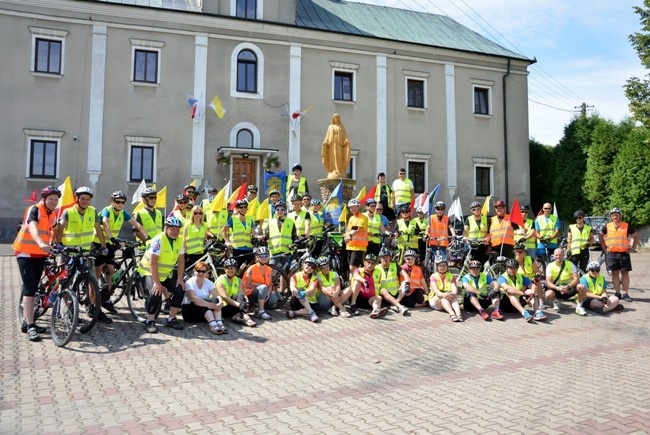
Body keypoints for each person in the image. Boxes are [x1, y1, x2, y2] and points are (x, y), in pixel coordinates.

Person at [56, 186, 111, 324]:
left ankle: (95, 309)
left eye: (87, 199)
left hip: (86, 253)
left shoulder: (93, 212)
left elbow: (98, 229)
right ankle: (68, 310)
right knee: (66, 281)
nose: (85, 201)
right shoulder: (69, 212)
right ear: (77, 199)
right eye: (82, 199)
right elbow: (61, 227)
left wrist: (103, 246)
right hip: (69, 252)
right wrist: (58, 244)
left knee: (93, 281)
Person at [13, 186, 60, 341]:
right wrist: (40, 242)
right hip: (25, 253)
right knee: (30, 289)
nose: (54, 202)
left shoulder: (51, 213)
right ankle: (31, 326)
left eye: (56, 199)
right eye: (51, 199)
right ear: (44, 198)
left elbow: (53, 230)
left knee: (36, 285)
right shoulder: (35, 209)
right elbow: (33, 227)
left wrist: (56, 245)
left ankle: (29, 320)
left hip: (40, 254)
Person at [93, 190, 146, 314]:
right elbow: (105, 223)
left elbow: (136, 224)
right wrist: (112, 238)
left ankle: (106, 297)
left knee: (111, 270)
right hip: (99, 243)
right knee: (99, 269)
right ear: (112, 202)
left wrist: (147, 237)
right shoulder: (107, 210)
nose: (120, 204)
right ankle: (93, 295)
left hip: (111, 244)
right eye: (117, 202)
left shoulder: (123, 213)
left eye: (122, 202)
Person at [137, 216, 186, 333]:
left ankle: (171, 319)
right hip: (148, 271)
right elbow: (152, 263)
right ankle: (150, 321)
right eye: (172, 228)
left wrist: (180, 278)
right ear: (166, 228)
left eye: (177, 229)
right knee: (156, 292)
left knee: (180, 289)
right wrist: (157, 283)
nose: (175, 231)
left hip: (165, 273)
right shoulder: (159, 240)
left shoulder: (180, 240)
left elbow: (181, 261)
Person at [600, 207, 639, 303]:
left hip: (624, 253)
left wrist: (633, 248)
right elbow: (600, 235)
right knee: (615, 274)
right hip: (611, 253)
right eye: (613, 215)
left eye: (616, 215)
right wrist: (605, 248)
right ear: (611, 217)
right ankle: (617, 293)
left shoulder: (626, 226)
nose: (614, 216)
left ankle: (625, 293)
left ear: (620, 216)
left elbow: (636, 236)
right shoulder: (607, 226)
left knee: (625, 273)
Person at [182, 261, 226, 334]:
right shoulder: (189, 283)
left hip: (203, 313)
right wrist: (209, 305)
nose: (201, 273)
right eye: (198, 271)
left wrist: (220, 302)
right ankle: (212, 324)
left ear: (206, 272)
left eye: (203, 271)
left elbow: (217, 295)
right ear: (194, 271)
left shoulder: (209, 282)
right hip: (189, 312)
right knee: (202, 303)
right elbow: (194, 299)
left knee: (215, 300)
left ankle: (219, 322)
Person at [215, 258, 257, 327]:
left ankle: (238, 316)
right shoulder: (220, 280)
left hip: (233, 305)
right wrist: (239, 305)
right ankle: (245, 317)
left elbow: (242, 293)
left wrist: (246, 301)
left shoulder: (238, 280)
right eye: (228, 268)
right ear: (224, 269)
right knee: (241, 302)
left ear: (236, 269)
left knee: (242, 296)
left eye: (232, 268)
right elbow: (224, 297)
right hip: (222, 307)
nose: (230, 270)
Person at [545, 247, 587, 315]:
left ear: (563, 255)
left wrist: (568, 286)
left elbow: (576, 279)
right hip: (557, 289)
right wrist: (558, 288)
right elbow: (548, 282)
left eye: (560, 255)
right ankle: (556, 301)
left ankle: (579, 307)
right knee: (548, 294)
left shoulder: (570, 264)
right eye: (556, 255)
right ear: (553, 255)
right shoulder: (550, 266)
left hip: (568, 288)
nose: (558, 256)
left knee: (581, 287)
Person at [347, 253, 388, 318]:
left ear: (375, 264)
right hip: (357, 298)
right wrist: (364, 281)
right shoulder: (359, 270)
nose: (370, 265)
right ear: (364, 262)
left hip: (369, 300)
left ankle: (375, 311)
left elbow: (381, 284)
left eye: (372, 263)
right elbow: (356, 276)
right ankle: (353, 306)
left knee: (379, 298)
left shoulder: (378, 272)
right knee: (357, 280)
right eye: (368, 262)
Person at [513, 243, 547, 321]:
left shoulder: (529, 259)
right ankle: (535, 305)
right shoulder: (513, 263)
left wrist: (537, 276)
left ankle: (541, 301)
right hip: (521, 283)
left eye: (520, 252)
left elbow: (537, 271)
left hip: (532, 280)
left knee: (537, 282)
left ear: (524, 252)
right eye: (516, 251)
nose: (518, 253)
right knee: (527, 287)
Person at [241, 246, 277, 320]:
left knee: (273, 299)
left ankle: (256, 307)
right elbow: (247, 285)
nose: (264, 258)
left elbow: (270, 284)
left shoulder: (269, 269)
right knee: (263, 287)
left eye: (266, 255)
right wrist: (261, 287)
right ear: (257, 257)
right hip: (249, 293)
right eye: (261, 256)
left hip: (262, 292)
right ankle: (261, 311)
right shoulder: (251, 268)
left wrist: (268, 292)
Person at [286, 257, 326, 322]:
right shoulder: (295, 276)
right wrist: (295, 291)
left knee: (318, 308)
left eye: (312, 266)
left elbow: (311, 289)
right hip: (297, 301)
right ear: (303, 265)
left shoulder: (315, 278)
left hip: (310, 302)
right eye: (308, 264)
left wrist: (304, 293)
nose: (310, 267)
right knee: (301, 290)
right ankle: (310, 312)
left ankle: (295, 313)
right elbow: (292, 286)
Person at [222, 199, 257, 267]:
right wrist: (227, 242)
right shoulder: (233, 219)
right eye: (241, 207)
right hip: (237, 249)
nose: (243, 209)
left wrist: (260, 236)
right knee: (236, 269)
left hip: (248, 248)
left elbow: (254, 233)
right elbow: (223, 231)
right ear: (237, 208)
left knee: (249, 269)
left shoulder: (250, 219)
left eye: (245, 207)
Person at [428, 257, 463, 322]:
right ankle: (452, 314)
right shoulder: (433, 276)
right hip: (435, 300)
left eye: (444, 265)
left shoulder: (451, 276)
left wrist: (453, 293)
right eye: (440, 266)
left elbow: (454, 288)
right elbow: (436, 291)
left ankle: (459, 314)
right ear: (437, 267)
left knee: (454, 297)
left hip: (448, 298)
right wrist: (445, 294)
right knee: (444, 298)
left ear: (447, 266)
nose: (443, 267)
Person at [375, 248, 409, 315]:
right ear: (380, 258)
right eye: (383, 257)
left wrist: (407, 284)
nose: (385, 259)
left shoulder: (395, 265)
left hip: (396, 294)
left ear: (390, 258)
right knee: (383, 290)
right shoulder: (376, 268)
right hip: (384, 296)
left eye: (387, 257)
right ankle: (400, 306)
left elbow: (405, 275)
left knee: (405, 283)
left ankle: (395, 304)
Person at [265, 201, 297, 270]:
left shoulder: (291, 222)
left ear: (285, 210)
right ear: (275, 210)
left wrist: (293, 248)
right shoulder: (271, 222)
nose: (280, 211)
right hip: (274, 252)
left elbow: (294, 237)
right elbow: (266, 236)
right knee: (272, 272)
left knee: (284, 272)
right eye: (277, 209)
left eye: (282, 209)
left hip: (287, 252)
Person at [321, 113, 351, 179]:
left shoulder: (341, 126)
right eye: (334, 118)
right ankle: (333, 170)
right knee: (333, 156)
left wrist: (347, 140)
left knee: (339, 156)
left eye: (337, 118)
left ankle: (339, 170)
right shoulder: (330, 126)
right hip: (332, 144)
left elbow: (345, 135)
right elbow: (327, 136)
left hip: (339, 144)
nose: (336, 119)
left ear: (338, 119)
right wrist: (325, 142)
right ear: (333, 119)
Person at [344, 198, 369, 273]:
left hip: (359, 247)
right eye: (351, 207)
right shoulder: (351, 218)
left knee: (353, 267)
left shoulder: (363, 217)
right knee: (351, 268)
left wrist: (349, 236)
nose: (352, 209)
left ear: (358, 207)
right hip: (350, 246)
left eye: (354, 207)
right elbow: (348, 231)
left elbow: (358, 229)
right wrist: (344, 237)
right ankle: (352, 283)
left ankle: (357, 282)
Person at [463, 201, 490, 266]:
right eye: (474, 209)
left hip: (482, 244)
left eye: (478, 209)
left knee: (482, 263)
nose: (476, 211)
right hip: (472, 245)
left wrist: (487, 239)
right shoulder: (469, 219)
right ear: (471, 211)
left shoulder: (486, 219)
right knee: (473, 264)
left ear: (481, 209)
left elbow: (489, 232)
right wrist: (465, 237)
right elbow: (465, 231)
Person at [183, 204, 209, 269]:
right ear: (192, 214)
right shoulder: (188, 225)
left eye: (200, 213)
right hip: (190, 253)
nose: (198, 215)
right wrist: (184, 253)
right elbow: (184, 240)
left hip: (201, 253)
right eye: (195, 213)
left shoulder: (205, 225)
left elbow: (204, 239)